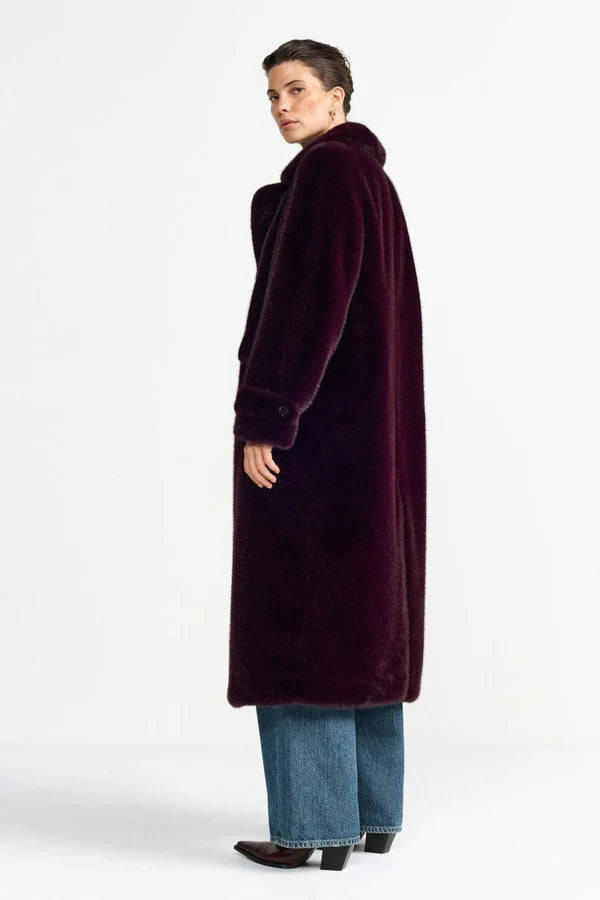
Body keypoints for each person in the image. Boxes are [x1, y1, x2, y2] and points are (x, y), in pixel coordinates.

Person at [227, 39, 427, 872]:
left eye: (298, 89)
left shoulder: (326, 175)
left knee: (301, 626)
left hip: (314, 445)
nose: (282, 106)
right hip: (368, 448)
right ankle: (371, 815)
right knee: (363, 624)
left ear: (339, 96)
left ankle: (312, 827)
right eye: (273, 94)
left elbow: (307, 308)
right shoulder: (369, 181)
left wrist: (267, 415)